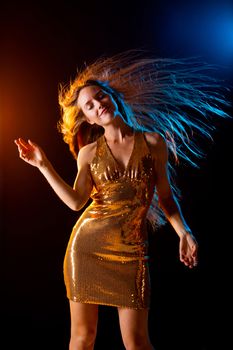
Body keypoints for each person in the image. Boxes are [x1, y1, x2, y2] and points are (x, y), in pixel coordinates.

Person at [14, 51, 230, 350]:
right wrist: (43, 165)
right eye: (89, 106)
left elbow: (166, 197)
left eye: (100, 97)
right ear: (87, 117)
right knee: (82, 338)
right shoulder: (89, 153)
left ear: (112, 97)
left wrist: (184, 232)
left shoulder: (154, 142)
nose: (98, 105)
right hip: (87, 248)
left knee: (137, 341)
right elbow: (77, 202)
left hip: (132, 250)